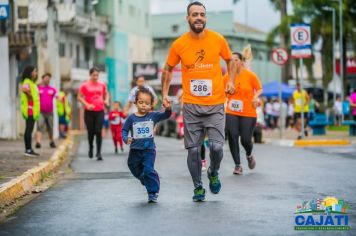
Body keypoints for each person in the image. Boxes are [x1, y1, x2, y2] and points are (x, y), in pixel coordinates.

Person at [161, 1, 238, 201]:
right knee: (194, 150)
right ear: (188, 18)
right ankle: (197, 187)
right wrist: (164, 94)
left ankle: (213, 172)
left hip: (215, 104)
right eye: (194, 14)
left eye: (202, 14)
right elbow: (168, 69)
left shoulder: (217, 39)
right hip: (192, 106)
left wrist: (230, 80)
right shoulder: (179, 44)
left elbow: (230, 60)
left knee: (217, 147)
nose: (198, 18)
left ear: (205, 17)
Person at [122, 87, 171, 203]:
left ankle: (152, 192)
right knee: (132, 166)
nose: (144, 105)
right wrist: (125, 138)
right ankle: (144, 178)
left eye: (147, 103)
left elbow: (166, 115)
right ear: (135, 103)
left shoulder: (153, 116)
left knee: (149, 170)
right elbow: (124, 130)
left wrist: (168, 108)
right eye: (141, 102)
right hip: (135, 150)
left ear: (151, 104)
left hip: (149, 150)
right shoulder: (131, 118)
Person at [224, 47, 263, 175]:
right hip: (231, 111)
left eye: (236, 60)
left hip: (248, 112)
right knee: (233, 136)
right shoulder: (227, 77)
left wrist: (256, 97)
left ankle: (249, 154)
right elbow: (220, 92)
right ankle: (237, 165)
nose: (233, 62)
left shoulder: (250, 75)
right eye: (231, 60)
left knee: (245, 140)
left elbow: (259, 89)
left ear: (241, 62)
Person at [78, 67, 109, 161]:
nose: (95, 77)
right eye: (93, 75)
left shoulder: (102, 84)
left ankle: (98, 152)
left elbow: (106, 94)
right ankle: (91, 147)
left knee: (98, 131)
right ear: (90, 75)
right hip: (89, 112)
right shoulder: (84, 85)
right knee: (91, 131)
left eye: (97, 75)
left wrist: (106, 100)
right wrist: (87, 104)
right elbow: (79, 97)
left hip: (100, 110)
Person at [20, 66, 40, 157]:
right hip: (29, 109)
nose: (36, 73)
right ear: (30, 72)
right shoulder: (27, 81)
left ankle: (29, 149)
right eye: (35, 71)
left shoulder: (32, 83)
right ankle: (28, 149)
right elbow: (24, 89)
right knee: (28, 129)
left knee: (30, 129)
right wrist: (30, 96)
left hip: (32, 110)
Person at [35, 73, 57, 148]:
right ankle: (38, 142)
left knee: (50, 127)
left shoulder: (52, 89)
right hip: (40, 111)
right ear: (43, 78)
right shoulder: (38, 88)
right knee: (40, 126)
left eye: (49, 78)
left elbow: (58, 96)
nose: (47, 79)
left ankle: (51, 141)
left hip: (50, 112)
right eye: (46, 78)